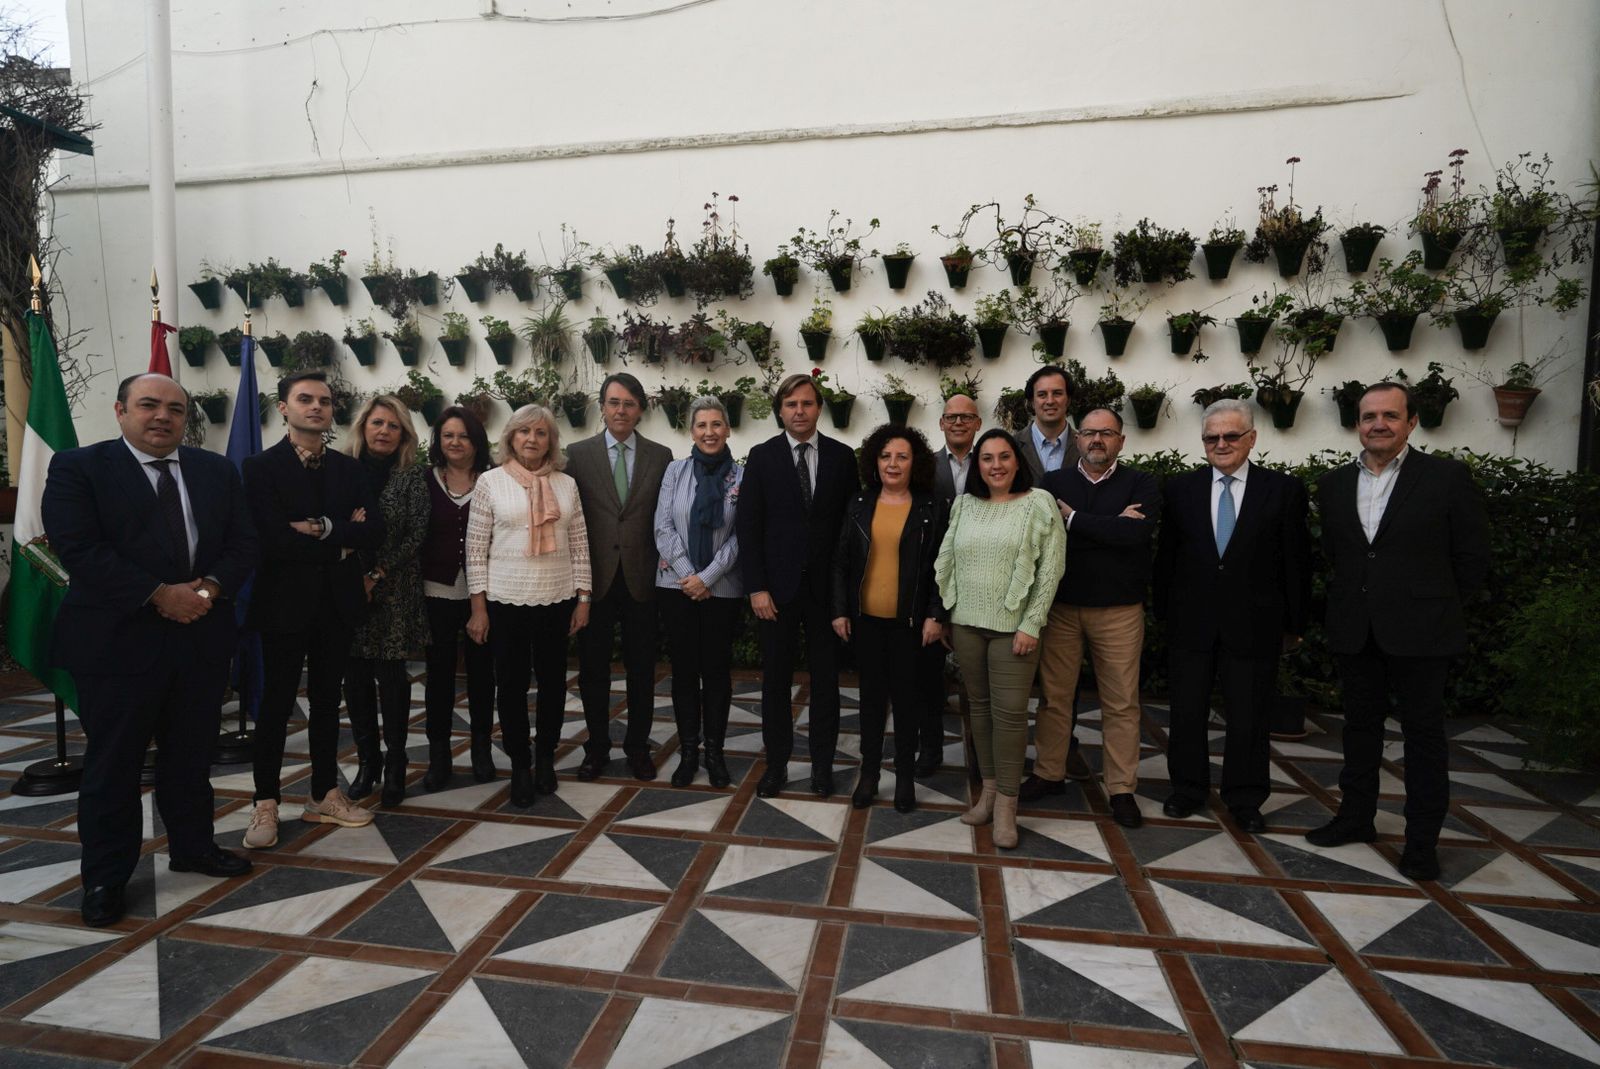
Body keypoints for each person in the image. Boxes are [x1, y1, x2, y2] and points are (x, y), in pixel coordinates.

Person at [43, 373, 259, 926]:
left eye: (175, 409)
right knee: (113, 766)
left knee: (191, 756)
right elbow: (79, 548)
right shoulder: (79, 468)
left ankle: (193, 847)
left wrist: (205, 590)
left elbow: (243, 543)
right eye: (148, 405)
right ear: (120, 411)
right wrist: (160, 595)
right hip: (117, 644)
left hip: (200, 638)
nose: (162, 416)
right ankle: (106, 880)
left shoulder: (216, 470)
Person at [1307, 381, 1488, 881]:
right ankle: (1355, 818)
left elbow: (1472, 559)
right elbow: (1341, 557)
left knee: (1423, 738)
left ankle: (1421, 842)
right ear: (1357, 425)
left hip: (1423, 632)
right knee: (1359, 730)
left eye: (1389, 415)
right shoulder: (1333, 484)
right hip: (1356, 629)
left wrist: (1430, 606)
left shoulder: (1446, 478)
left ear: (1411, 422)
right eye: (1369, 417)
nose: (1378, 425)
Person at [1154, 399, 1310, 833]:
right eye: (1211, 437)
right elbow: (1167, 559)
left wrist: (1294, 625)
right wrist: (1164, 614)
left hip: (1255, 623)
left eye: (1230, 436)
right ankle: (1187, 789)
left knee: (1250, 716)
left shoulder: (1282, 490)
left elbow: (1296, 562)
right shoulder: (1180, 489)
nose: (1221, 444)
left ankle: (1245, 798)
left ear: (1251, 439)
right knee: (1186, 713)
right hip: (1191, 623)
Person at [242, 370, 383, 849]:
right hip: (284, 604)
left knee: (326, 703)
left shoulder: (350, 469)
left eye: (324, 400)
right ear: (283, 407)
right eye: (305, 399)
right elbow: (274, 541)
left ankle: (324, 792)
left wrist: (319, 528)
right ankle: (265, 803)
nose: (317, 407)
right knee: (276, 705)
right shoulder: (260, 469)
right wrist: (341, 536)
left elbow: (373, 531)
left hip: (337, 605)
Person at [1027, 408, 1162, 828]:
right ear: (1077, 440)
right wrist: (1111, 526)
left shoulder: (1142, 483)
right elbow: (1046, 538)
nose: (1097, 440)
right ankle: (1049, 773)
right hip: (1062, 608)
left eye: (1107, 433)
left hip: (1119, 612)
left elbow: (1135, 536)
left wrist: (1074, 521)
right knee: (1054, 698)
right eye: (1089, 433)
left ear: (1121, 440)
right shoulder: (1053, 483)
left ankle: (1121, 789)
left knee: (1121, 703)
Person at [935, 428, 1065, 849]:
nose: (996, 466)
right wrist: (951, 612)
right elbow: (949, 557)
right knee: (978, 711)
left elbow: (1050, 571)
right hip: (967, 624)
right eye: (987, 458)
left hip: (1014, 630)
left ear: (1017, 461)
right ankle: (988, 792)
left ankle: (1008, 804)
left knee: (1009, 716)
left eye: (1004, 457)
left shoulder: (1038, 503)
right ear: (978, 466)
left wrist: (1032, 623)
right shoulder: (965, 505)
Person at [736, 372, 860, 798]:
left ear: (819, 408)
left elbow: (851, 531)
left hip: (827, 595)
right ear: (780, 411)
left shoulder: (843, 458)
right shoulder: (762, 456)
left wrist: (846, 597)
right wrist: (756, 587)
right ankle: (776, 767)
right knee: (775, 683)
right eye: (791, 405)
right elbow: (748, 527)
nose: (799, 411)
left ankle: (822, 768)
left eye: (806, 404)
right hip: (775, 593)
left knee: (826, 684)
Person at [465, 404, 592, 807]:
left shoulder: (566, 485)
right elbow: (474, 549)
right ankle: (520, 765)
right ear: (511, 438)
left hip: (556, 598)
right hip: (505, 600)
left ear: (551, 441)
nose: (532, 439)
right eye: (524, 432)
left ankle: (544, 760)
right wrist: (479, 607)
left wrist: (583, 598)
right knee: (513, 686)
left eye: (540, 433)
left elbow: (579, 545)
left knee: (554, 685)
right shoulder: (490, 482)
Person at [831, 424, 947, 813]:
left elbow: (940, 569)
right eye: (885, 456)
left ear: (915, 463)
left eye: (901, 456)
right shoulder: (859, 503)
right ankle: (869, 775)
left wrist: (935, 615)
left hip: (910, 624)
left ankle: (904, 778)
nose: (892, 464)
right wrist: (840, 610)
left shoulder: (931, 507)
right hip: (866, 621)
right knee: (870, 702)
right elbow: (842, 562)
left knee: (908, 702)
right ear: (874, 462)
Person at [565, 373, 673, 782]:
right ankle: (596, 749)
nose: (621, 411)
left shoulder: (661, 456)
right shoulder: (578, 454)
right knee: (593, 671)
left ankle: (637, 748)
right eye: (613, 402)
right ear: (602, 407)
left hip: (643, 580)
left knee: (642, 670)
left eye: (629, 403)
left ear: (641, 410)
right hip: (594, 582)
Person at [342, 395, 430, 807]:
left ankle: (396, 765)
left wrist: (375, 575)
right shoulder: (341, 470)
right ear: (363, 428)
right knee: (355, 681)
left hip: (393, 590)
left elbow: (416, 534)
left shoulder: (413, 476)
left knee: (392, 683)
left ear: (404, 435)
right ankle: (367, 763)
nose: (384, 432)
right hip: (346, 587)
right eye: (377, 423)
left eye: (393, 426)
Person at [653, 396, 744, 788]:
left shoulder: (741, 476)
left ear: (727, 429)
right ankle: (689, 752)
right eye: (701, 425)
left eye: (716, 425)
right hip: (676, 588)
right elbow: (662, 527)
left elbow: (742, 534)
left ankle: (715, 754)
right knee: (685, 672)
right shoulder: (675, 471)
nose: (709, 432)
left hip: (721, 589)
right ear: (691, 431)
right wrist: (690, 575)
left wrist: (708, 577)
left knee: (717, 673)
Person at [1014, 365, 1091, 784]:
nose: (1049, 400)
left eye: (1057, 393)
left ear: (1067, 399)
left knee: (1063, 679)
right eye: (1041, 394)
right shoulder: (1012, 445)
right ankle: (1007, 756)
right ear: (1031, 401)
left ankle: (1061, 752)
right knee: (1015, 673)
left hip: (1073, 576)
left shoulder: (1087, 444)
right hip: (1021, 578)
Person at [420, 406, 496, 790]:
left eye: (463, 436)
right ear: (439, 440)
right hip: (437, 592)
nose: (455, 442)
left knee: (483, 676)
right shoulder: (424, 480)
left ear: (476, 441)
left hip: (485, 594)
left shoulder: (493, 481)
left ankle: (481, 749)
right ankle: (439, 756)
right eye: (448, 435)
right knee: (439, 675)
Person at [918, 392, 982, 778]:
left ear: (977, 423)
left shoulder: (993, 462)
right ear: (941, 423)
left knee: (977, 679)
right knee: (928, 676)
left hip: (979, 581)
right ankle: (930, 749)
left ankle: (979, 757)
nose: (958, 423)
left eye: (966, 417)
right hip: (931, 582)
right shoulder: (924, 467)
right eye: (951, 417)